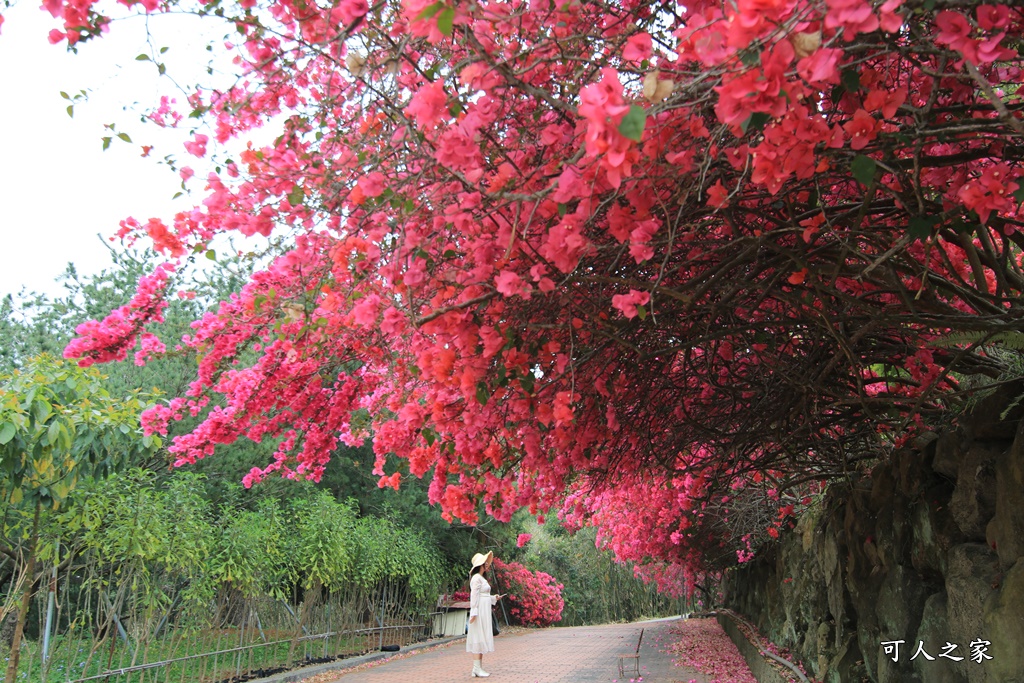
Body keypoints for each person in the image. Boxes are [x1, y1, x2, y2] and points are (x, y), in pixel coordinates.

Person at [466, 551, 504, 677]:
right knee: (478, 637)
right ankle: (476, 668)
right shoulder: (476, 578)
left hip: (484, 609)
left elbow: (484, 595)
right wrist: (474, 612)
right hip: (479, 611)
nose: (487, 564)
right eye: (485, 562)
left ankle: (478, 668)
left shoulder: (481, 578)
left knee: (481, 637)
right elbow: (474, 596)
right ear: (480, 564)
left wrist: (494, 598)